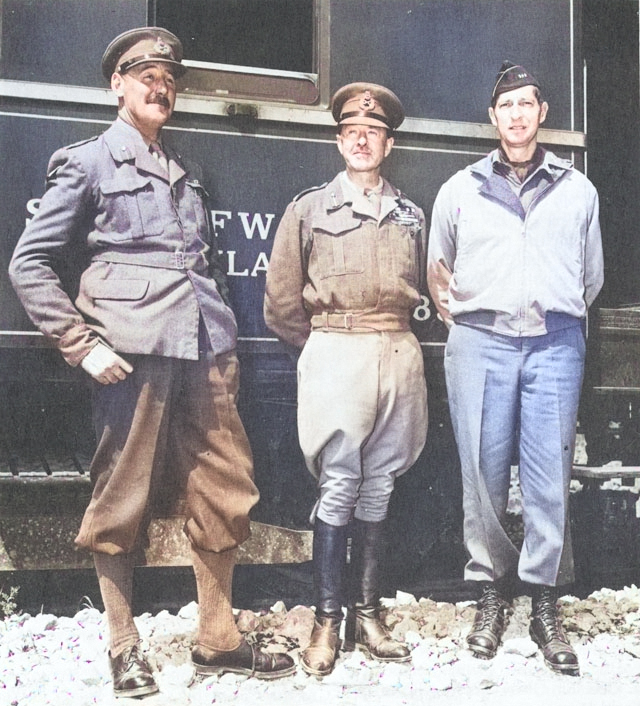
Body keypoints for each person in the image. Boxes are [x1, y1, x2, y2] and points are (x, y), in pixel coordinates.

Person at [9, 26, 294, 698]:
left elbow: (199, 269)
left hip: (205, 349)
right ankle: (122, 644)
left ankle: (218, 639)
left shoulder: (183, 171)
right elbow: (29, 264)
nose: (160, 85)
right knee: (122, 494)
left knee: (226, 487)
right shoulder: (87, 162)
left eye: (169, 77)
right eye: (145, 74)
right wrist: (83, 344)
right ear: (118, 85)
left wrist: (221, 340)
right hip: (129, 351)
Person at [427, 61, 604, 676]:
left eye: (528, 103)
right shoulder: (460, 188)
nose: (518, 115)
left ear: (542, 112)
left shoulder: (577, 190)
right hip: (482, 342)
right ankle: (491, 593)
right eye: (507, 106)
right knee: (481, 471)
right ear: (494, 117)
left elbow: (591, 278)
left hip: (555, 342)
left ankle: (543, 603)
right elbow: (440, 271)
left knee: (548, 475)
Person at [264, 83, 428, 676]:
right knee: (338, 484)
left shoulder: (410, 214)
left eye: (374, 132)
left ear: (388, 143)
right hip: (335, 348)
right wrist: (324, 353)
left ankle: (367, 613)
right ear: (339, 141)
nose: (362, 139)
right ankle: (328, 621)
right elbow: (282, 302)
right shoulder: (309, 209)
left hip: (398, 352)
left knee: (379, 483)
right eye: (351, 131)